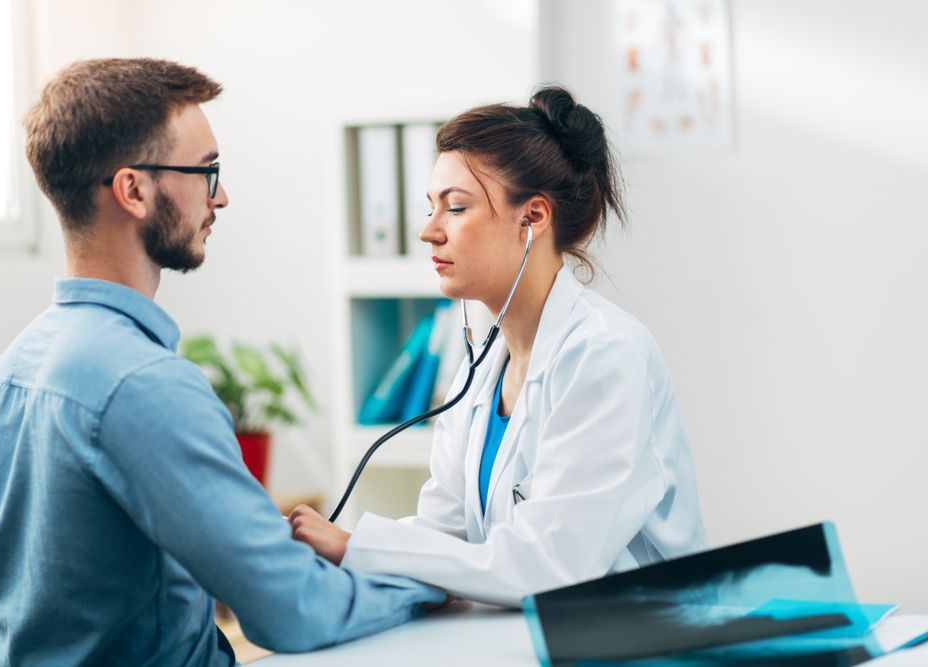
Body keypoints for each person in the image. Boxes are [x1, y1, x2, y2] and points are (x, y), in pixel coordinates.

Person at [0, 58, 443, 667]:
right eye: (205, 170)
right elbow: (294, 609)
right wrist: (429, 581)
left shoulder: (12, 368)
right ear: (133, 190)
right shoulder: (143, 385)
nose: (220, 195)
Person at [290, 86, 707, 608]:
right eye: (430, 208)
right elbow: (446, 535)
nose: (429, 232)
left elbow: (549, 568)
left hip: (644, 641)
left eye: (456, 208)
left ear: (532, 218)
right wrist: (338, 556)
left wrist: (360, 546)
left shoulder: (605, 355)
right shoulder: (480, 367)